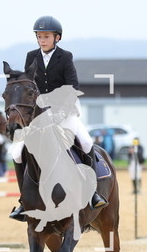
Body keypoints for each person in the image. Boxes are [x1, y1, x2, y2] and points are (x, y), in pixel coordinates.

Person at [9, 15, 106, 221]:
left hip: (65, 110)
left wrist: (61, 111)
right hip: (39, 114)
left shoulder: (65, 57)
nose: (42, 40)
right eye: (39, 36)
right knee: (17, 152)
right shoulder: (31, 56)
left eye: (46, 36)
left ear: (57, 38)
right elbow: (28, 86)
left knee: (86, 142)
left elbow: (72, 87)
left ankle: (92, 193)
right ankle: (24, 200)